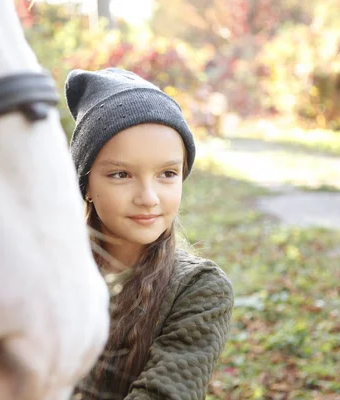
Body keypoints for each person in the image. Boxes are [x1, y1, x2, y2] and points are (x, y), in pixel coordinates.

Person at [65, 67, 234, 400]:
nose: (148, 197)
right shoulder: (47, 274)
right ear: (86, 185)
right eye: (121, 174)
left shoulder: (198, 290)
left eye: (167, 174)